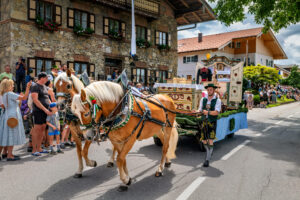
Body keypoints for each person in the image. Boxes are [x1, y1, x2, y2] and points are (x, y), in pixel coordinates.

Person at [0, 79, 32, 161]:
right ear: (8, 86)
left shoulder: (4, 94)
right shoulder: (10, 94)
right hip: (13, 116)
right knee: (12, 135)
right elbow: (25, 97)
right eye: (12, 85)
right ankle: (9, 155)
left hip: (7, 115)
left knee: (7, 135)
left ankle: (5, 153)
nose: (13, 86)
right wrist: (28, 87)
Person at [198, 83, 221, 167]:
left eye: (210, 89)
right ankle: (210, 151)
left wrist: (207, 112)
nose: (209, 91)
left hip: (212, 122)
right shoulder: (203, 99)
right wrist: (196, 111)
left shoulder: (217, 100)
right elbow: (200, 110)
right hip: (204, 121)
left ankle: (207, 159)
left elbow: (216, 112)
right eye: (208, 90)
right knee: (204, 140)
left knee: (210, 140)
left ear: (213, 90)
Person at [30, 72, 52, 156]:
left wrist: (51, 107)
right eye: (46, 78)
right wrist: (45, 109)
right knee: (37, 130)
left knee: (42, 129)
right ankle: (34, 150)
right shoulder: (35, 86)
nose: (47, 79)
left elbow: (47, 98)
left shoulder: (45, 87)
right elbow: (35, 100)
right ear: (42, 78)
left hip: (45, 111)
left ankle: (39, 148)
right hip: (38, 111)